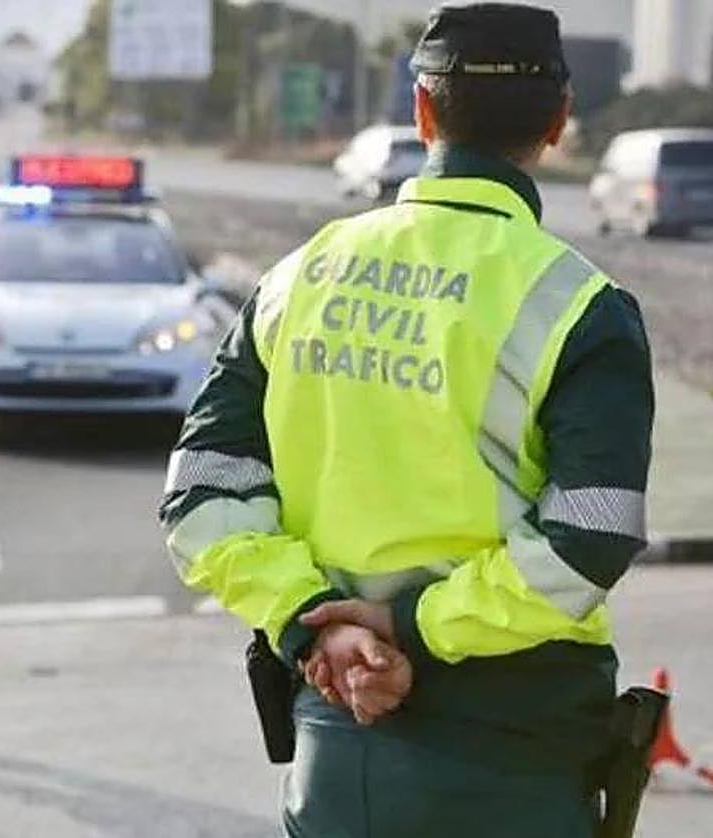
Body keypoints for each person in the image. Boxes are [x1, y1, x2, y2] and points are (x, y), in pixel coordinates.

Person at [159, 4, 653, 836]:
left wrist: (312, 625)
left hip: (337, 748)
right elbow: (590, 540)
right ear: (560, 123)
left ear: (422, 110)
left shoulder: (299, 277)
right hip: (516, 759)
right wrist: (416, 628)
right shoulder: (581, 308)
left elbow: (203, 495)